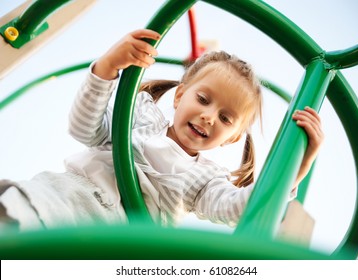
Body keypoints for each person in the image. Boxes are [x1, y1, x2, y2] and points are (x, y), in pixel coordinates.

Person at [0, 29, 323, 230]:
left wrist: (297, 169)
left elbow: (242, 209)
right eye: (203, 99)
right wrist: (107, 68)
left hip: (110, 240)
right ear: (180, 95)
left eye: (226, 118)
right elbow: (84, 128)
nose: (209, 117)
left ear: (234, 137)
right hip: (64, 197)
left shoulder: (205, 181)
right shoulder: (139, 115)